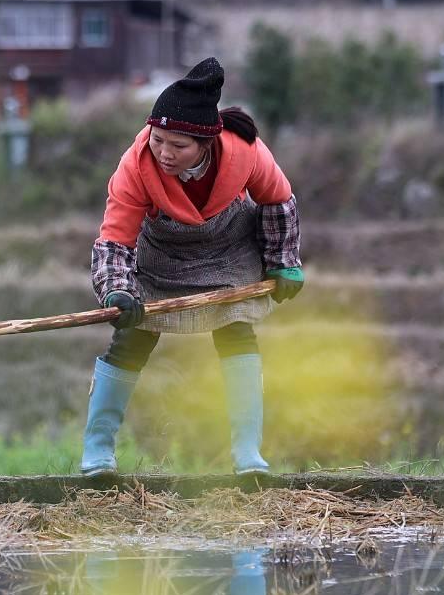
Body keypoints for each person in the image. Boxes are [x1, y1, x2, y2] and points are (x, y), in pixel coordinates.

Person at [82, 57, 304, 478]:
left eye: (178, 146)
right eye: (158, 139)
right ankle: (97, 455)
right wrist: (116, 290)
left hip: (228, 250)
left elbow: (279, 200)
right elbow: (115, 235)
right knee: (130, 339)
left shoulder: (246, 152)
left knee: (237, 331)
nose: (164, 153)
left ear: (206, 143)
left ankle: (247, 456)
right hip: (160, 254)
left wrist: (282, 263)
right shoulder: (136, 165)